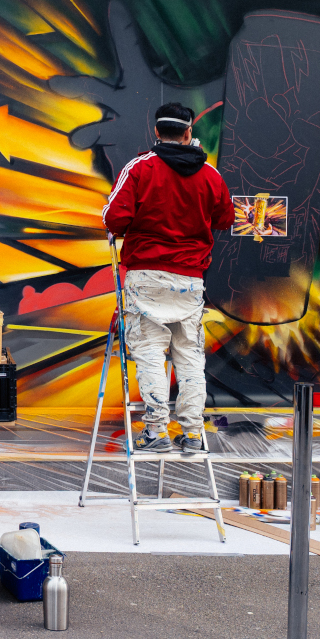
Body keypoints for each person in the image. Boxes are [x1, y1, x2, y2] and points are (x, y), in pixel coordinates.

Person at [102, 103, 233, 454]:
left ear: (157, 132)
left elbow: (113, 218)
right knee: (189, 357)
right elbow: (225, 218)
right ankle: (193, 433)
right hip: (190, 280)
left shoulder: (140, 168)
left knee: (149, 353)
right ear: (188, 133)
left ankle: (156, 431)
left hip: (147, 276)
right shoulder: (210, 175)